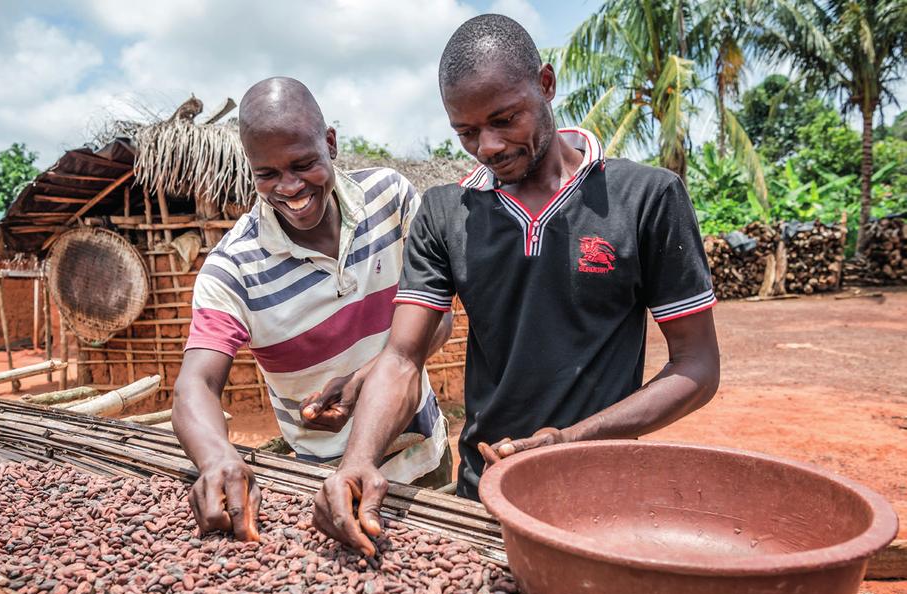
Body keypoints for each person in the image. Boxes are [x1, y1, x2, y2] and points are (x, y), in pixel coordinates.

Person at [313, 14, 720, 556]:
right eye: (466, 132)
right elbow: (403, 357)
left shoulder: (644, 198)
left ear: (546, 85)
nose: (487, 146)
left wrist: (567, 442)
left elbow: (696, 368)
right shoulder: (446, 213)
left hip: (603, 495)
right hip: (483, 494)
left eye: (505, 120)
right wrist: (359, 459)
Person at [173, 77, 453, 541]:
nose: (290, 188)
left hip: (423, 457)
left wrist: (365, 379)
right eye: (267, 174)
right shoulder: (232, 269)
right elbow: (194, 385)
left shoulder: (392, 200)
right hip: (323, 487)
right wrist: (217, 457)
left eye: (303, 164)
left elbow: (438, 319)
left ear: (330, 143)